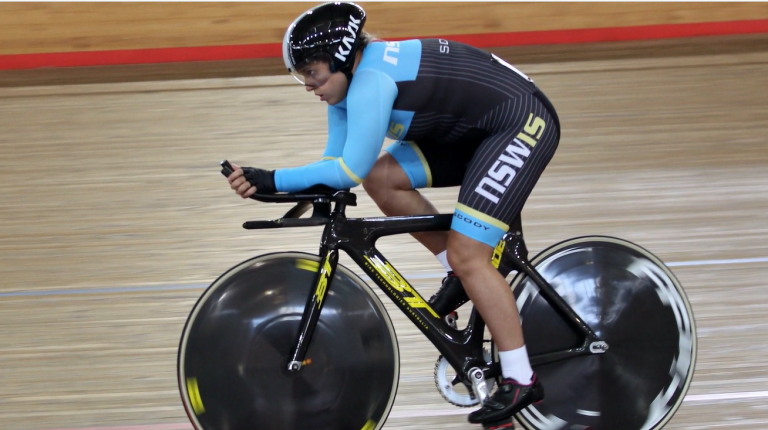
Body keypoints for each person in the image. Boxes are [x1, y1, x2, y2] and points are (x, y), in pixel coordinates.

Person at [226, 2, 559, 428]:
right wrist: (269, 188)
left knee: (470, 253)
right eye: (301, 75)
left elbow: (346, 169)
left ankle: (520, 377)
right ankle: (459, 278)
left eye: (312, 72)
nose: (308, 84)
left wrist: (273, 178)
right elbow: (338, 171)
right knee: (382, 180)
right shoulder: (344, 91)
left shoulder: (371, 82)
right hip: (474, 130)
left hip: (519, 123)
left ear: (342, 57)